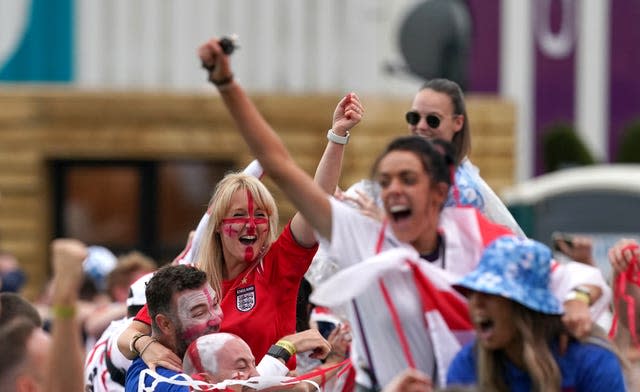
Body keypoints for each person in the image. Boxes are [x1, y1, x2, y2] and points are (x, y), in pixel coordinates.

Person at [197, 36, 612, 389]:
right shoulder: (363, 236)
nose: (392, 189)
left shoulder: (476, 235)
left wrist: (576, 300)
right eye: (386, 180)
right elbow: (282, 166)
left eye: (407, 179)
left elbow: (565, 276)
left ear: (439, 194)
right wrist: (227, 84)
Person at [117, 89, 363, 373]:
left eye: (260, 215)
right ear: (219, 226)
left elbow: (316, 202)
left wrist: (337, 136)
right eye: (238, 215)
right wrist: (146, 345)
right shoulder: (190, 282)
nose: (250, 224)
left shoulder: (277, 265)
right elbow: (125, 336)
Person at [447, 235, 626, 391]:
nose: (476, 303)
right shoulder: (469, 363)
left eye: (490, 293)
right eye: (472, 292)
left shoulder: (590, 361)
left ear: (524, 306)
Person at [124, 264, 224, 391]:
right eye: (199, 313)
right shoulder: (159, 382)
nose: (216, 319)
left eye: (215, 304)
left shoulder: (196, 356)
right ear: (165, 324)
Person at [182, 329, 331, 386]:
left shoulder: (246, 382)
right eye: (241, 367)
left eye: (254, 364)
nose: (257, 374)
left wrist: (286, 346)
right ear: (205, 382)